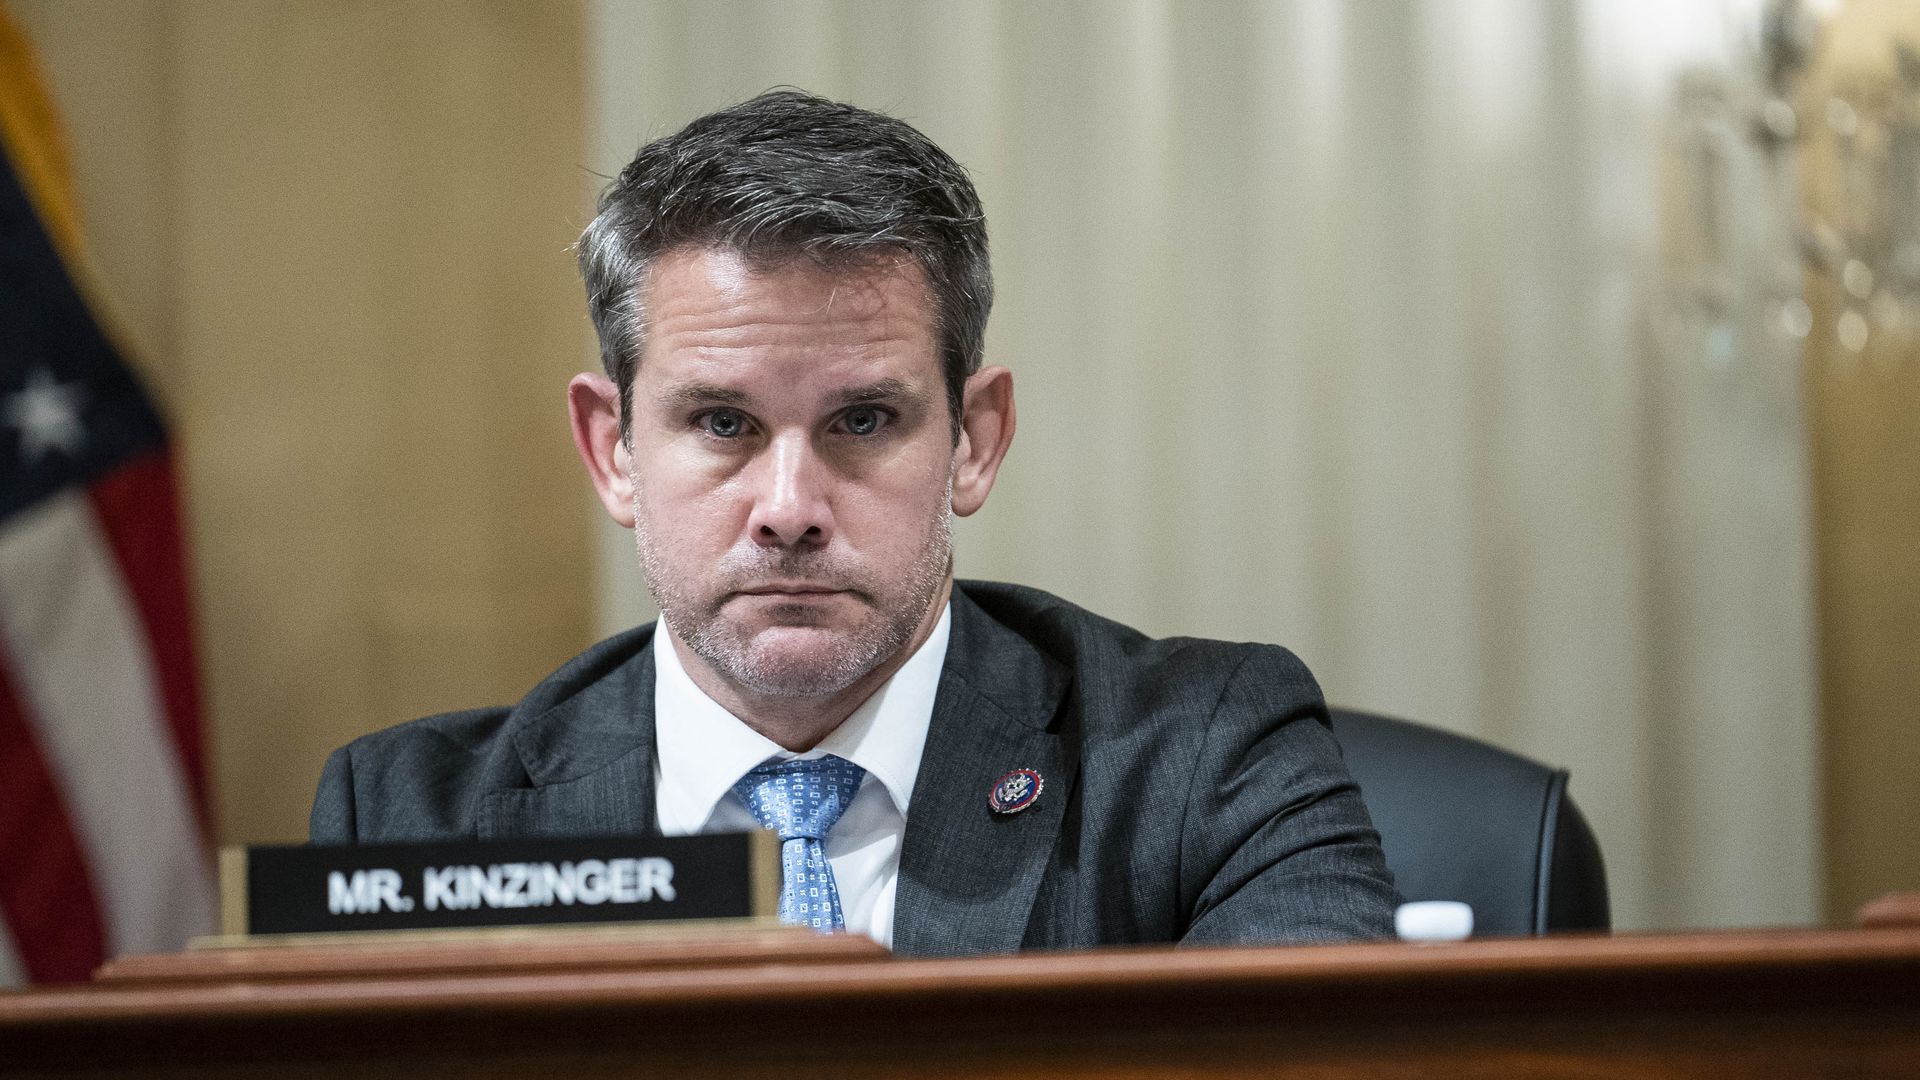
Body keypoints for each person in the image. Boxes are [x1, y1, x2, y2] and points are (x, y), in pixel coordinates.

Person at [310, 89, 1397, 955]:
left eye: (864, 419)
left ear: (973, 439)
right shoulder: (408, 821)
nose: (789, 510)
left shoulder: (1206, 762)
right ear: (614, 450)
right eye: (723, 421)